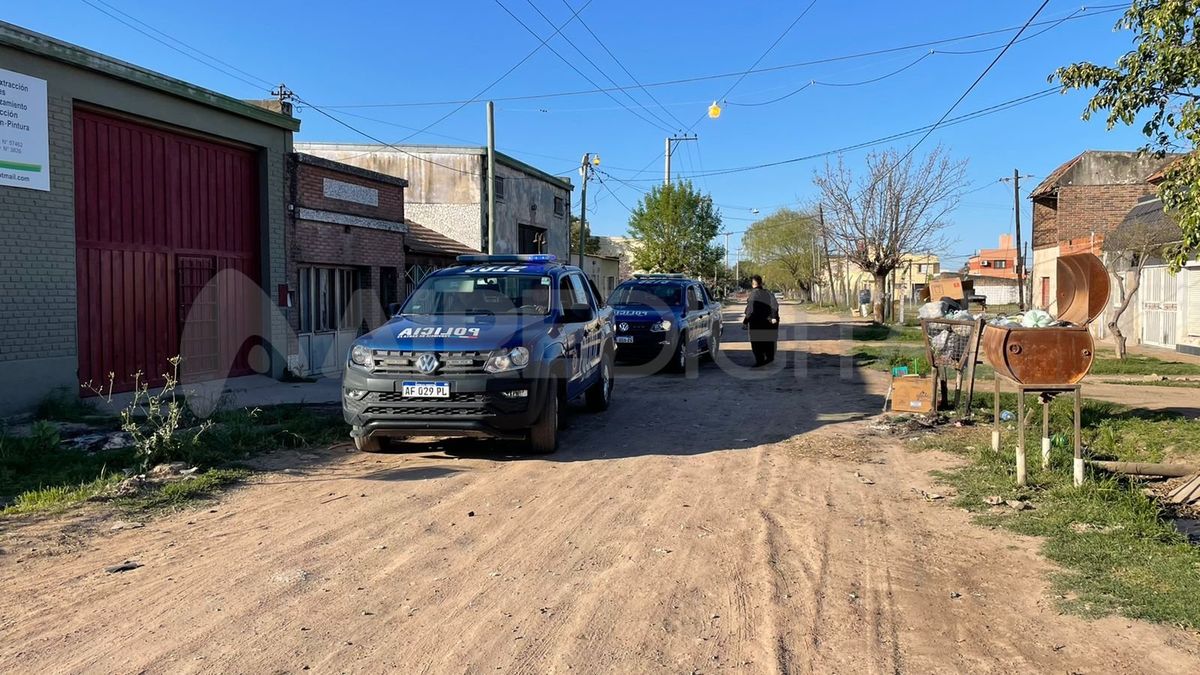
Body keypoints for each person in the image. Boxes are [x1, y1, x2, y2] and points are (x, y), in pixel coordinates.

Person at [742, 275, 780, 366]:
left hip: (757, 324)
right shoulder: (769, 293)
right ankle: (770, 357)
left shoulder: (753, 295)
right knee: (770, 341)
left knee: (757, 343)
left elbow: (750, 311)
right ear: (761, 283)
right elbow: (775, 306)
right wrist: (774, 317)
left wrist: (745, 322)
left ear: (753, 284)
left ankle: (760, 361)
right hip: (770, 323)